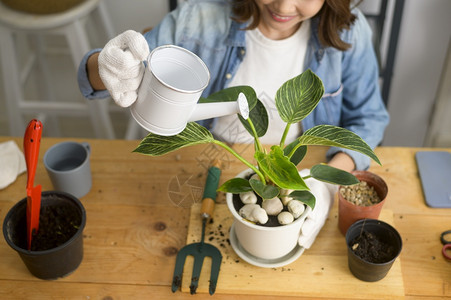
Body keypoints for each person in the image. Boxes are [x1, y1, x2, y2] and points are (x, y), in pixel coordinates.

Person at [78, 0, 389, 246]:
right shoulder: (197, 19)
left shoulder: (349, 32)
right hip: (207, 171)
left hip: (299, 175)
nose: (283, 6)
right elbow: (110, 72)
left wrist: (326, 183)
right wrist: (105, 65)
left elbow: (369, 118)